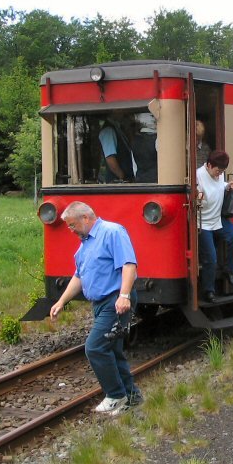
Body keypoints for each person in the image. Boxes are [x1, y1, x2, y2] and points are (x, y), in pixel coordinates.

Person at [49, 202, 142, 415]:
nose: (70, 230)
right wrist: (62, 301)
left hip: (115, 301)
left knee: (95, 347)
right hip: (100, 304)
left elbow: (129, 265)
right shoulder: (85, 245)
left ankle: (115, 395)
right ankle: (132, 398)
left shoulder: (112, 232)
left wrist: (124, 295)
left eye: (73, 225)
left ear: (86, 218)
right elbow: (79, 276)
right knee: (112, 350)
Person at [196, 150, 233, 301]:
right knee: (211, 258)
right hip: (202, 223)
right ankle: (208, 290)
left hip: (217, 219)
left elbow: (219, 185)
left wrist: (227, 186)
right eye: (217, 171)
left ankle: (230, 270)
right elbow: (196, 199)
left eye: (221, 171)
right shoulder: (198, 176)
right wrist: (198, 198)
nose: (219, 174)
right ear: (209, 165)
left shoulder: (219, 173)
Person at [98, 112, 135, 183]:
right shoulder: (108, 130)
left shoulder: (117, 127)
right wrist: (122, 177)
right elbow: (110, 159)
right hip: (115, 182)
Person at [131, 113, 158, 183]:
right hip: (156, 182)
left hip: (140, 183)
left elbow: (134, 167)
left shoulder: (134, 141)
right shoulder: (158, 140)